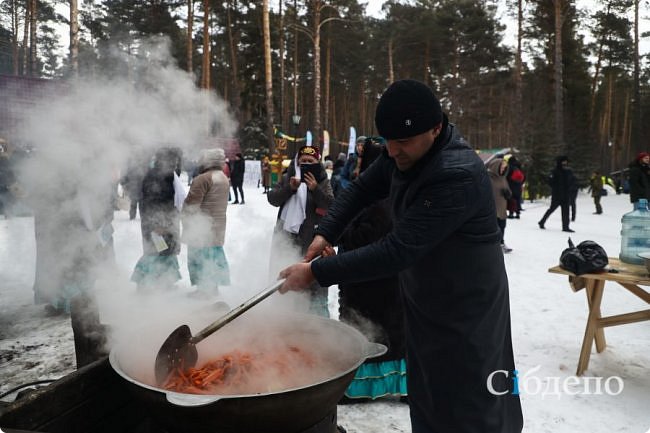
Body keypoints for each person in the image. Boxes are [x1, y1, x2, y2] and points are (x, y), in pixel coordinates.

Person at [277, 79, 523, 433]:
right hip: (425, 300)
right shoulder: (404, 153)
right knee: (427, 395)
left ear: (436, 128)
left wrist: (316, 272)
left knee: (472, 401)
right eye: (388, 141)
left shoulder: (457, 175)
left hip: (467, 309)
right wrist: (325, 231)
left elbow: (397, 250)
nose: (392, 151)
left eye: (402, 142)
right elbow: (361, 189)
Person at [336, 138, 407, 403]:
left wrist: (343, 235)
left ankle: (360, 389)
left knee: (369, 333)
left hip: (373, 284)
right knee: (389, 334)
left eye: (360, 165)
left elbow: (366, 238)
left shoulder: (380, 201)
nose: (355, 171)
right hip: (381, 282)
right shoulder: (386, 194)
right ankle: (397, 385)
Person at [267, 145, 334, 317]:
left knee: (314, 290)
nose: (306, 164)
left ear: (317, 162)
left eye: (310, 161)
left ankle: (320, 327)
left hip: (312, 242)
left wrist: (315, 189)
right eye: (303, 161)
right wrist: (290, 188)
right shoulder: (288, 177)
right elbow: (272, 198)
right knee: (288, 288)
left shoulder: (323, 181)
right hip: (287, 241)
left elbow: (331, 206)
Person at [182, 148, 231, 298]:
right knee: (213, 258)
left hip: (201, 227)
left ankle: (203, 290)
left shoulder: (203, 179)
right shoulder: (223, 177)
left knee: (200, 259)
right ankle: (212, 287)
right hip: (217, 226)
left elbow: (191, 205)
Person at [131, 147, 182, 290]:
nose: (176, 163)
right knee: (154, 253)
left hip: (167, 221)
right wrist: (158, 225)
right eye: (174, 160)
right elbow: (150, 202)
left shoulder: (167, 175)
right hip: (157, 224)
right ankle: (143, 285)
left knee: (166, 253)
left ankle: (165, 282)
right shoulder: (154, 176)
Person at [538, 155, 577, 233]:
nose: (565, 163)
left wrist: (571, 189)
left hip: (566, 194)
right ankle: (542, 222)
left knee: (566, 211)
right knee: (552, 209)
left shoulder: (569, 171)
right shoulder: (555, 171)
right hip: (557, 194)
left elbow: (573, 181)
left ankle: (566, 226)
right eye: (564, 161)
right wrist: (555, 187)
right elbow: (550, 181)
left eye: (566, 161)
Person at [488, 157, 513, 253]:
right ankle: (493, 245)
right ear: (495, 166)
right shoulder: (488, 178)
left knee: (502, 226)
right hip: (492, 209)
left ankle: (501, 243)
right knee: (493, 228)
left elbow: (509, 191)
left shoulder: (503, 178)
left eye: (504, 168)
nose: (503, 169)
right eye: (502, 167)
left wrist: (508, 194)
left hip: (502, 208)